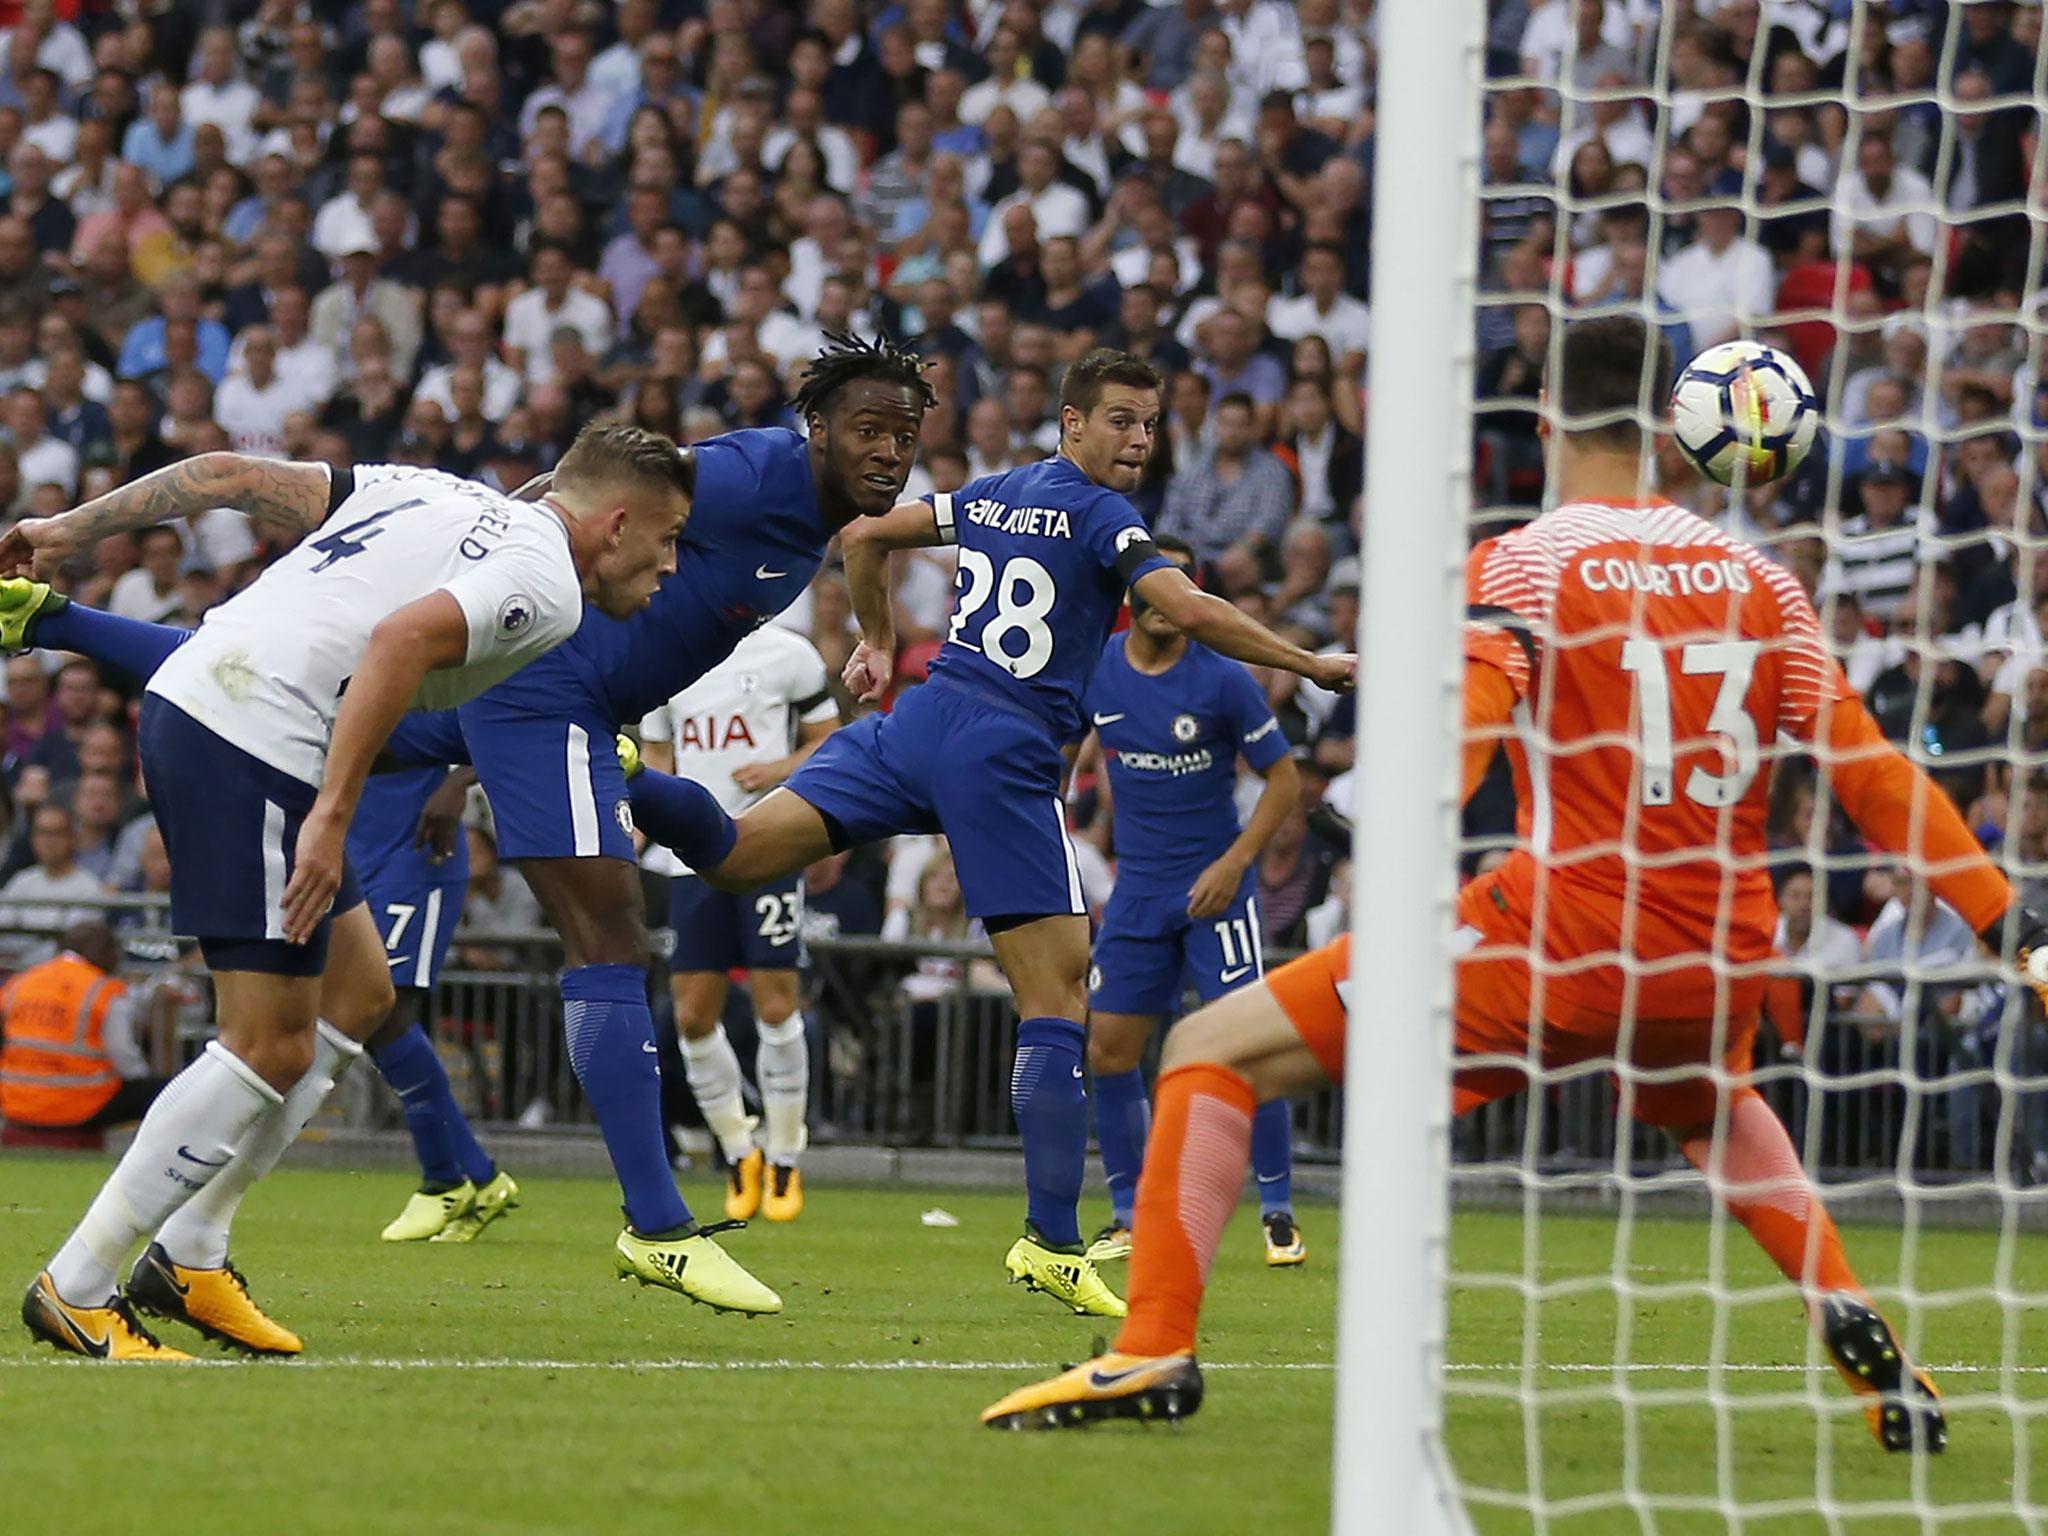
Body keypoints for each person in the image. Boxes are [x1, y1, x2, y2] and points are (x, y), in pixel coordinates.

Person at [979, 316, 2009, 1450]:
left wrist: (1377, 809)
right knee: (1702, 1105)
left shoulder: (1525, 558)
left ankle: (1152, 1349)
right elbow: (1867, 770)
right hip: (1719, 961)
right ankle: (1844, 1307)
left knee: (1206, 1055)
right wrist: (2012, 925)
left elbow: (1465, 731)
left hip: (1558, 940)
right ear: (1670, 429)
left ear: (1542, 423)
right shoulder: (1763, 581)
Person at [624, 349, 1356, 1319]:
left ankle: (621, 767)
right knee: (1055, 995)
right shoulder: (1104, 517)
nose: (1138, 441)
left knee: (733, 857)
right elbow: (1178, 604)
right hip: (1003, 751)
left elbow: (865, 534)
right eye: (1121, 422)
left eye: (1148, 424)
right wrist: (1303, 659)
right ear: (1071, 421)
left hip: (921, 722)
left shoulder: (996, 491)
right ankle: (1052, 1240)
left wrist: (879, 641)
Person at [4, 426, 688, 1362]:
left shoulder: (430, 490)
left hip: (220, 704)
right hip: (254, 739)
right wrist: (331, 819)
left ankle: (192, 1254)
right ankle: (77, 1286)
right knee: (266, 1044)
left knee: (360, 994)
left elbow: (230, 473)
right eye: (669, 538)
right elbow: (399, 643)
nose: (672, 563)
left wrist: (69, 528)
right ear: (616, 523)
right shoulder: (549, 584)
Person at [377, 334, 935, 1319]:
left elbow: (867, 545)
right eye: (867, 430)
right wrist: (494, 572)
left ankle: (54, 619)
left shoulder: (831, 511)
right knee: (609, 940)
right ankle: (658, 1225)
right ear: (816, 428)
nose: (890, 451)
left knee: (288, 725)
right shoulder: (754, 471)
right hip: (555, 692)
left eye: (906, 432)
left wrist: (876, 632)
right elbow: (588, 488)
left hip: (559, 704)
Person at [1078, 533, 1307, 1268]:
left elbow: (1284, 781)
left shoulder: (1222, 679)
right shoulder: (1098, 670)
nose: (1169, 600)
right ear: (1131, 597)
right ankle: (1129, 1210)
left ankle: (1276, 1208)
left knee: (1249, 1047)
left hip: (1217, 891)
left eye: (1184, 586)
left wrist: (1235, 863)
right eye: (1157, 585)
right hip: (1139, 892)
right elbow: (1055, 750)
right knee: (1108, 1048)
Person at [639, 623, 841, 1223]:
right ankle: (736, 1150)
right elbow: (656, 759)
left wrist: (779, 768)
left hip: (771, 844)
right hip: (690, 858)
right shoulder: (668, 656)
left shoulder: (789, 652)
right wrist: (633, 836)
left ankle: (785, 1156)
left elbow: (830, 742)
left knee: (776, 1005)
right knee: (693, 1014)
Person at [0, 920, 168, 1132]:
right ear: (104, 952)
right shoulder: (105, 991)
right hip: (79, 1104)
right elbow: (124, 1056)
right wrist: (140, 1080)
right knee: (167, 1092)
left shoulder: (20, 982)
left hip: (16, 1102)